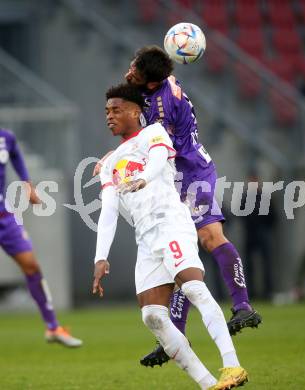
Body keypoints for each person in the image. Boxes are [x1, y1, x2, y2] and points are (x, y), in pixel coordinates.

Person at [94, 46, 261, 367]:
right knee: (180, 257)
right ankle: (176, 337)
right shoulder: (157, 81)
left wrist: (110, 158)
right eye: (131, 66)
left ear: (151, 83)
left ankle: (242, 305)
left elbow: (148, 140)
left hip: (191, 171)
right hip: (175, 175)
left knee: (210, 237)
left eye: (136, 73)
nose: (129, 73)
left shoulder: (160, 106)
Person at [0, 128, 82, 348]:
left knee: (31, 266)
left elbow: (15, 152)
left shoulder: (5, 137)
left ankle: (53, 327)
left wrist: (27, 184)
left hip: (4, 216)